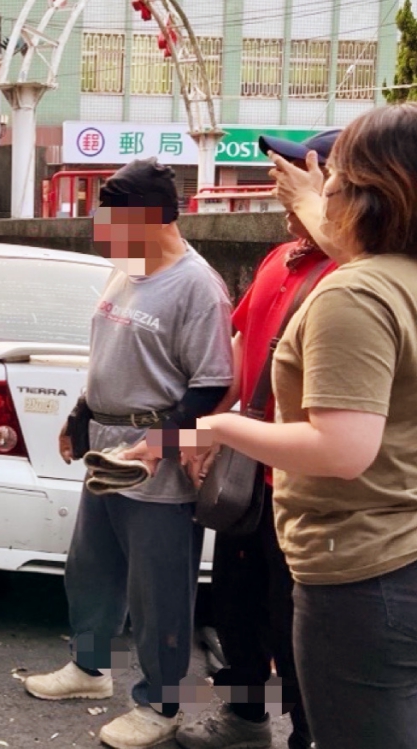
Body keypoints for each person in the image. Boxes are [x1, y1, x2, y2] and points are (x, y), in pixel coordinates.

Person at [189, 104, 417, 749]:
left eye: (331, 174)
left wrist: (222, 428)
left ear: (366, 189)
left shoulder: (355, 290)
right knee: (243, 619)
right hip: (393, 546)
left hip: (360, 561)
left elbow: (342, 449)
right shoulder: (388, 275)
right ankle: (246, 717)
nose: (314, 189)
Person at [25, 159, 233, 749]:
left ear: (152, 218)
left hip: (156, 459)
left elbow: (212, 384)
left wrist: (159, 446)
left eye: (114, 221)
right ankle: (89, 667)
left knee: (158, 591)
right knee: (91, 569)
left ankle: (161, 704)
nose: (104, 234)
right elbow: (108, 358)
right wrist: (79, 415)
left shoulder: (198, 287)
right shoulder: (128, 272)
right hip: (108, 452)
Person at [175, 131, 340, 749]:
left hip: (310, 484)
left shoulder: (355, 272)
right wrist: (207, 431)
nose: (284, 188)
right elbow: (242, 347)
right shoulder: (281, 258)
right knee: (235, 605)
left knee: (296, 623)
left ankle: (308, 734)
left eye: (301, 174)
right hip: (253, 473)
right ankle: (245, 718)